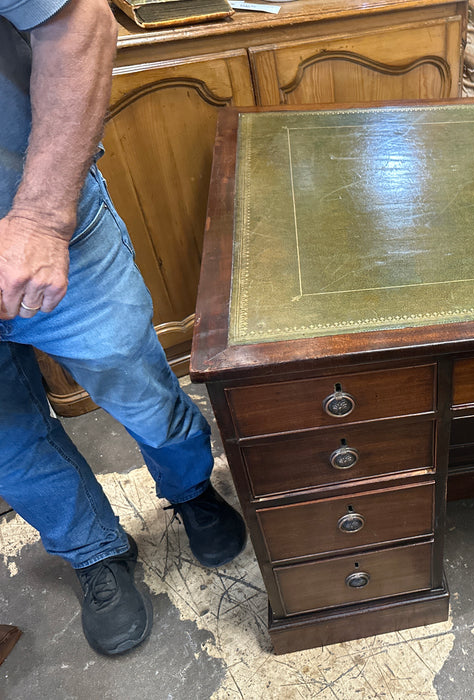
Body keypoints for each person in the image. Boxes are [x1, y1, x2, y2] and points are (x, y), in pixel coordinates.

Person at [0, 0, 246, 656]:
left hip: (45, 225)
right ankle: (94, 552)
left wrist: (40, 219)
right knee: (9, 447)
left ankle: (191, 489)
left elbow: (78, 23)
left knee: (136, 385)